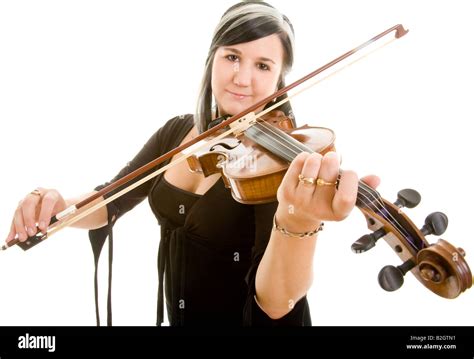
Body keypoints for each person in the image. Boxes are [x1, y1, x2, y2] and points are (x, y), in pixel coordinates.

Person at [5, 1, 378, 326]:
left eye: (263, 65)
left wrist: (298, 222)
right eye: (232, 56)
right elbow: (110, 202)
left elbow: (277, 304)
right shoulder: (179, 131)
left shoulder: (279, 167)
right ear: (212, 58)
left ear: (280, 77)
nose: (242, 78)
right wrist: (55, 207)